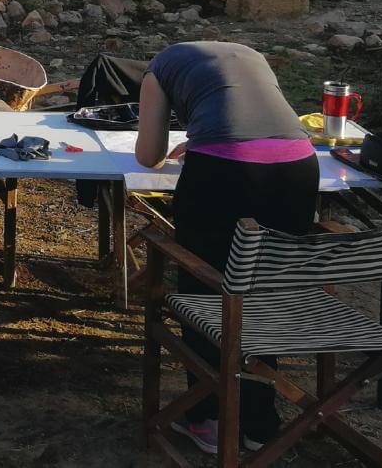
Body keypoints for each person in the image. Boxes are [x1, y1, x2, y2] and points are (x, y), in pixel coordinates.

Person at [135, 41, 318, 456]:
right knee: (265, 291)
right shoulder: (253, 54)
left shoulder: (158, 67)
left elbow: (148, 157)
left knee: (206, 290)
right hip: (299, 165)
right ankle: (259, 423)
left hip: (222, 171)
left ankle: (207, 418)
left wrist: (194, 144)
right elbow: (252, 120)